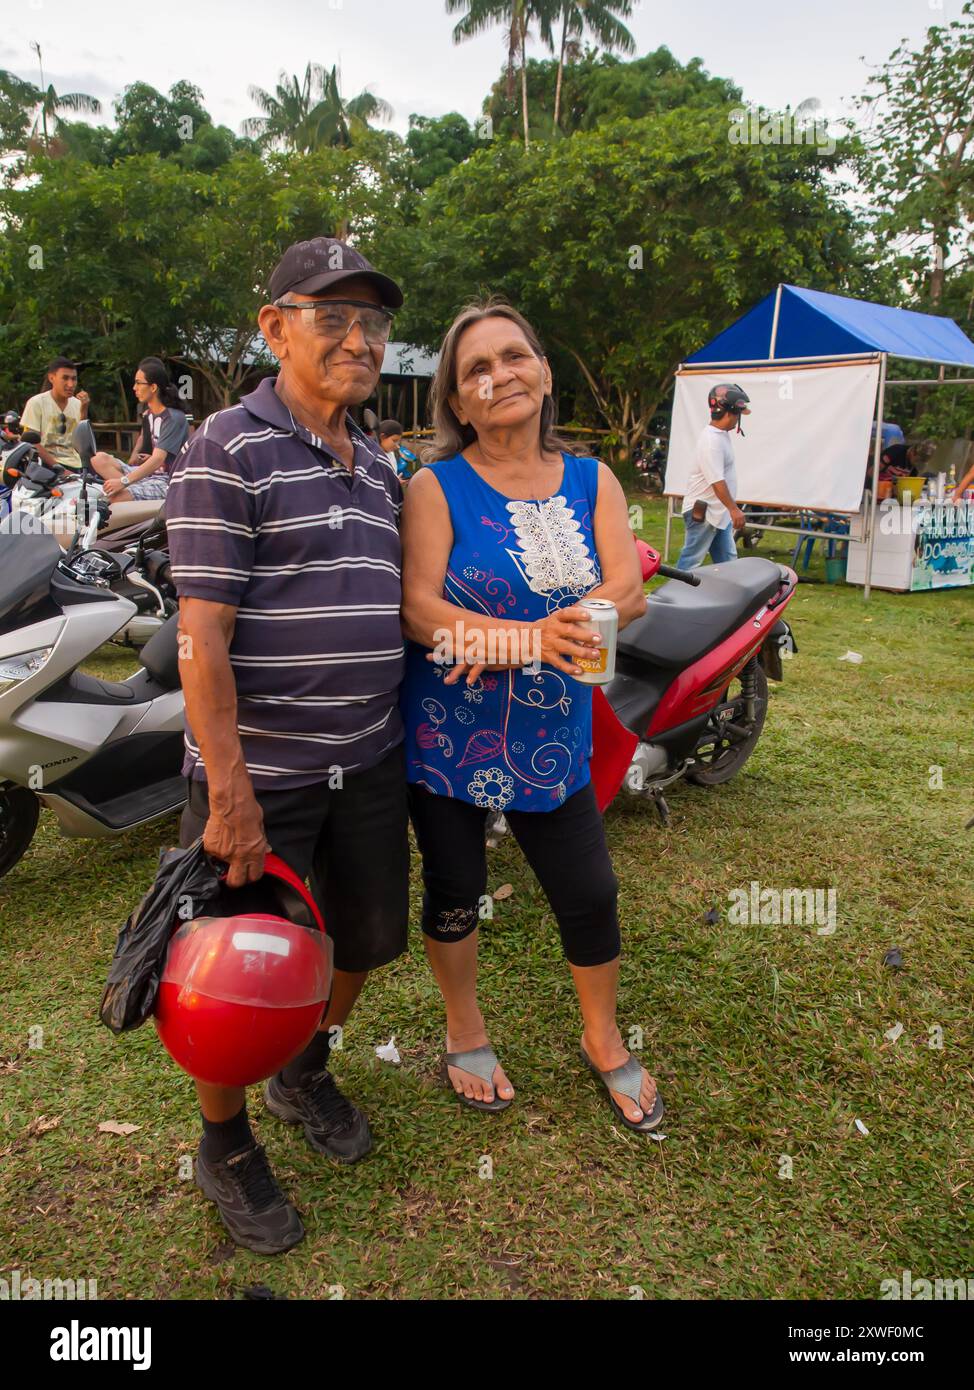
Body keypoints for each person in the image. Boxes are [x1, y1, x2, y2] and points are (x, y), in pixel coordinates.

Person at [165, 236, 410, 1255]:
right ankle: (224, 1142)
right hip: (260, 775)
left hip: (370, 759)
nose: (359, 339)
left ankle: (303, 1068)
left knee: (363, 940)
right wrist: (230, 794)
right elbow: (201, 635)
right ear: (275, 328)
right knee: (230, 973)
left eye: (373, 321)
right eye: (332, 317)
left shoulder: (380, 464)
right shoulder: (226, 446)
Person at [400, 298, 664, 1135]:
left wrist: (528, 635)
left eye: (514, 356)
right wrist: (526, 640)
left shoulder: (594, 481)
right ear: (457, 401)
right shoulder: (434, 487)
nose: (500, 375)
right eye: (476, 369)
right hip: (448, 733)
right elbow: (418, 609)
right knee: (456, 889)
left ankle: (601, 1035)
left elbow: (630, 590)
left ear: (544, 373)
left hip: (555, 735)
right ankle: (463, 1028)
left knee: (589, 891)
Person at [90, 358, 188, 503]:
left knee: (115, 497)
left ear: (153, 387)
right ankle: (135, 489)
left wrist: (124, 481)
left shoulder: (173, 418)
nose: (134, 388)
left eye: (138, 383)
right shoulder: (150, 414)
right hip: (150, 475)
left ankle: (130, 490)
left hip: (167, 480)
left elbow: (158, 459)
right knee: (98, 459)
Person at [675, 382, 749, 570]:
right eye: (738, 414)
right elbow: (717, 481)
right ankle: (674, 589)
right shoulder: (712, 441)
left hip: (717, 513)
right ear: (730, 412)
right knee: (690, 563)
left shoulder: (720, 435)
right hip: (705, 512)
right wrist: (734, 510)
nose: (738, 419)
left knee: (728, 563)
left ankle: (732, 589)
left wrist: (729, 510)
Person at [21, 357, 90, 472]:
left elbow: (83, 441)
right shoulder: (36, 403)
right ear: (51, 378)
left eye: (74, 379)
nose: (71, 384)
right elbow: (31, 443)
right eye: (65, 378)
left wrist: (84, 410)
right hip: (44, 464)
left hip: (76, 464)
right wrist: (61, 470)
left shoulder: (78, 404)